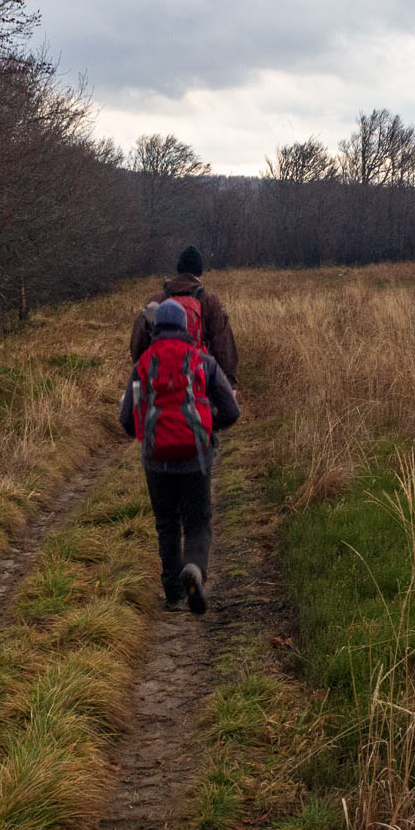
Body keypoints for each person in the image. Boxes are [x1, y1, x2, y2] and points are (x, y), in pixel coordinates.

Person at [120, 298, 239, 614]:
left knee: (167, 524)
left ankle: (173, 594)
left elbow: (127, 418)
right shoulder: (203, 361)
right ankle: (196, 570)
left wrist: (144, 436)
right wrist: (209, 429)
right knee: (198, 522)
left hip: (156, 459)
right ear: (186, 328)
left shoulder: (142, 365)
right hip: (196, 456)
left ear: (156, 328)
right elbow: (231, 410)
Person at [129, 245, 239, 383]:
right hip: (199, 380)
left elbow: (138, 343)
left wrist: (144, 373)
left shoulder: (156, 301)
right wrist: (230, 381)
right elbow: (223, 343)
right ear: (200, 271)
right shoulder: (210, 301)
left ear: (179, 268)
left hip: (160, 380)